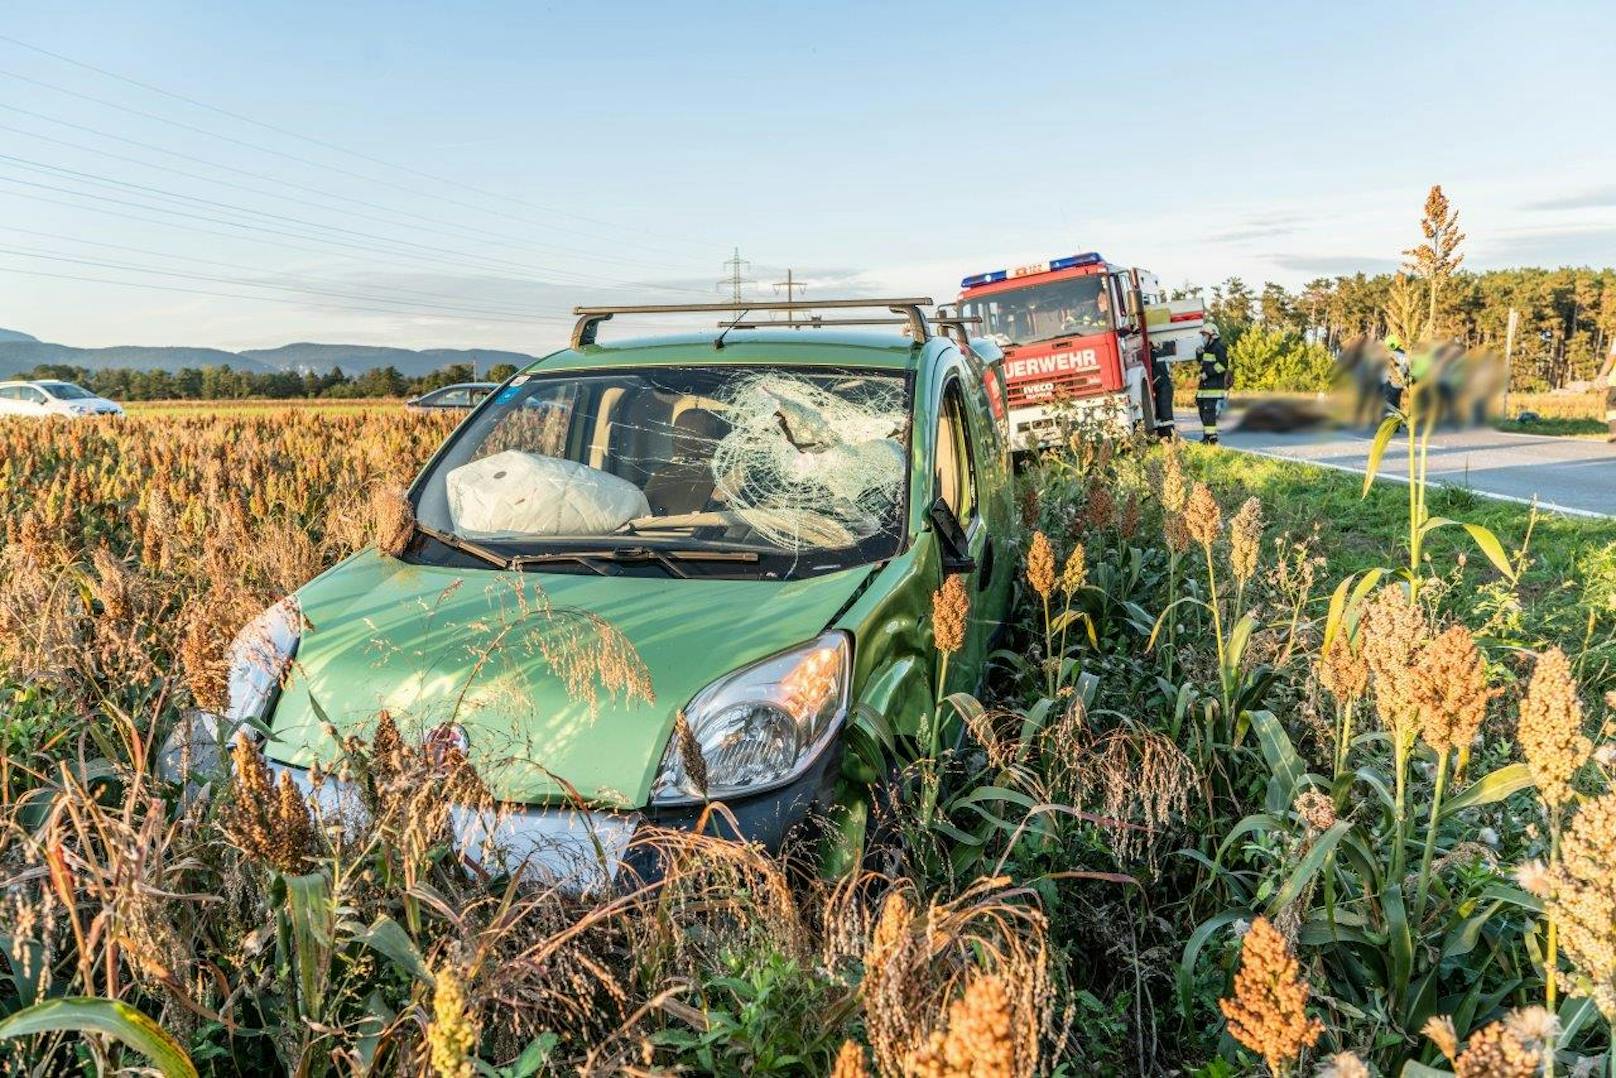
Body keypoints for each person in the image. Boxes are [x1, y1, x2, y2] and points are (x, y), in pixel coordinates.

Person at [1195, 321, 1229, 444]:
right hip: (1205, 388)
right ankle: (1207, 435)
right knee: (1202, 410)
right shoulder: (1207, 348)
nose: (1203, 337)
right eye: (1202, 335)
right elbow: (1203, 362)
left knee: (1209, 412)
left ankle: (1212, 438)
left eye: (1204, 335)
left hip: (1213, 387)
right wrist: (1199, 354)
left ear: (1212, 335)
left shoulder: (1218, 347)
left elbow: (1222, 365)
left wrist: (1207, 373)